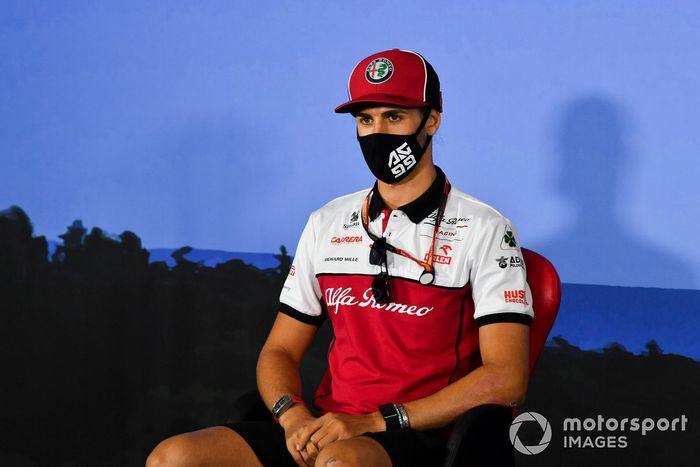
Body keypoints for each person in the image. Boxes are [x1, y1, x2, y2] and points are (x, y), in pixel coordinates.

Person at [146, 48, 533, 467]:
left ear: (432, 121)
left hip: (416, 435)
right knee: (173, 457)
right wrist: (292, 417)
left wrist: (376, 421)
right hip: (328, 428)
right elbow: (279, 350)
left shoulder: (486, 228)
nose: (377, 131)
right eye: (366, 119)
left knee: (340, 464)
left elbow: (506, 379)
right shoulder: (327, 222)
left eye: (394, 116)